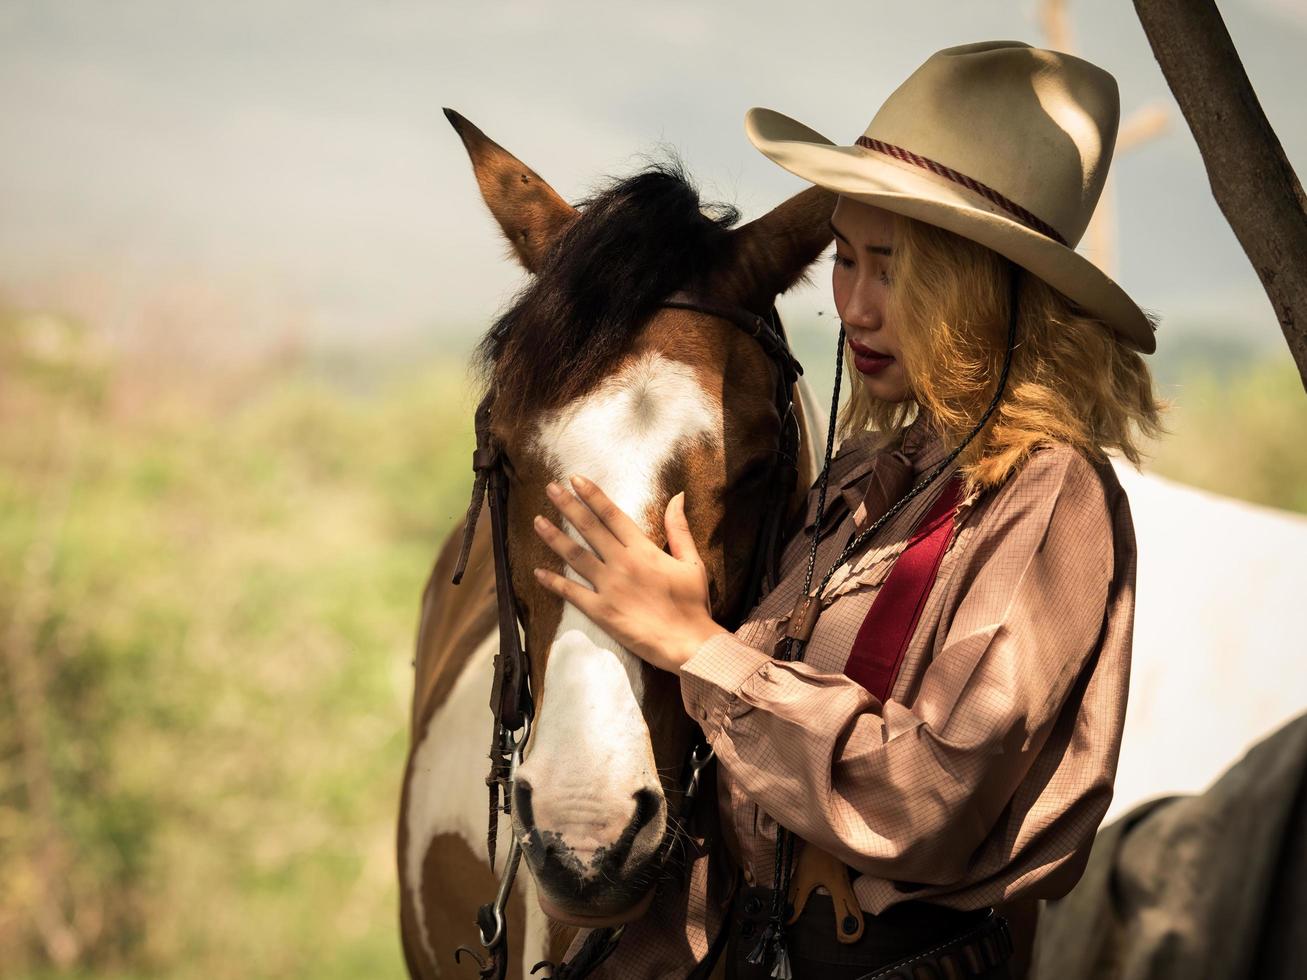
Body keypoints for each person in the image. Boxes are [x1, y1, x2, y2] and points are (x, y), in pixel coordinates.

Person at [531, 40, 1162, 979]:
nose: (854, 306)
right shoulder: (870, 474)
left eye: (892, 267)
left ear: (976, 284)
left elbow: (924, 798)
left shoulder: (1050, 493)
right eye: (845, 259)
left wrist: (696, 645)